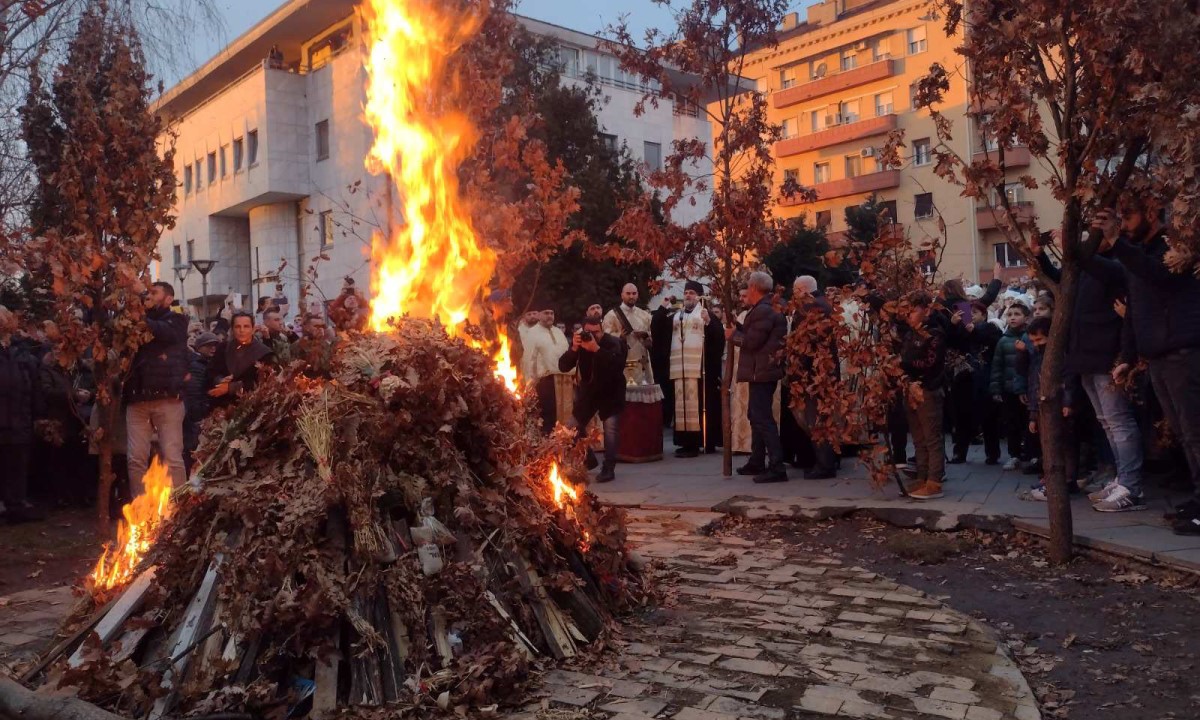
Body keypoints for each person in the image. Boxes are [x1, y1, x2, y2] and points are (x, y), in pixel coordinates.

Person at [1098, 202, 1200, 533]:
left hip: (1183, 353)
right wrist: (1128, 356)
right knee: (1185, 434)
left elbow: (1159, 275)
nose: (1124, 224)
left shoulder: (1174, 245)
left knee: (1196, 432)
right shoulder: (1135, 255)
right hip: (1158, 357)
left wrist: (1116, 242)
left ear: (1151, 212)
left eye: (1127, 215)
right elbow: (1135, 309)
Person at [1031, 229, 1140, 510]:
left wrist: (1071, 247)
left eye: (1094, 235)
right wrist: (1040, 256)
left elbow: (1097, 267)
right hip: (1085, 357)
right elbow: (1061, 280)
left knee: (1118, 421)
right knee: (1106, 420)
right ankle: (1121, 478)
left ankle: (1131, 485)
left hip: (1107, 355)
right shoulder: (1086, 269)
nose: (1089, 241)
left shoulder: (1116, 264)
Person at [125, 282, 190, 493]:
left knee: (172, 457)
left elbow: (164, 332)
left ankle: (180, 509)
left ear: (169, 299)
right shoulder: (134, 322)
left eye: (155, 292)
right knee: (135, 459)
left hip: (167, 398)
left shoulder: (177, 320)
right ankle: (140, 512)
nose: (148, 295)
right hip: (137, 399)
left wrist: (140, 319)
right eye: (148, 292)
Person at [727, 271, 788, 484]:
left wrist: (733, 336)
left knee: (763, 419)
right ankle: (757, 461)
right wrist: (740, 327)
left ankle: (777, 466)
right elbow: (756, 333)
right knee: (756, 416)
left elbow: (753, 342)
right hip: (761, 371)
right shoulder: (765, 308)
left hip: (762, 371)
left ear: (753, 287)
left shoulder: (764, 310)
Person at [558, 313, 626, 483]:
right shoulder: (580, 344)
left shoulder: (614, 343)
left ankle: (608, 468)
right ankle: (589, 459)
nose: (592, 336)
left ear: (602, 330)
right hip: (589, 392)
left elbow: (616, 367)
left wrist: (596, 349)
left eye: (596, 332)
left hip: (611, 392)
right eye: (588, 332)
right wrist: (574, 348)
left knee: (610, 431)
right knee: (572, 428)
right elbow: (563, 366)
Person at [788, 275, 838, 479]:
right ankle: (827, 461)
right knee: (822, 418)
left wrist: (803, 374)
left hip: (813, 375)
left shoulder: (809, 309)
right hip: (824, 372)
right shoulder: (824, 305)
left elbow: (806, 346)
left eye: (795, 291)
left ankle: (824, 464)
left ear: (803, 290)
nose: (793, 295)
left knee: (815, 419)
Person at [899, 293, 948, 500]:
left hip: (928, 389)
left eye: (912, 311)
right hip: (910, 388)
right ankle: (922, 475)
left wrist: (903, 364)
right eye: (906, 311)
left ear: (926, 311)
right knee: (918, 438)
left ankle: (934, 481)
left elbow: (930, 363)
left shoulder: (934, 334)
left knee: (932, 437)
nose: (908, 315)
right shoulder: (910, 334)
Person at [0, 307, 45, 523]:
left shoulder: (21, 350)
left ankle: (16, 504)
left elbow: (35, 383)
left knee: (17, 464)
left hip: (20, 416)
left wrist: (38, 413)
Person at [669, 281, 720, 458]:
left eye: (692, 293)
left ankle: (702, 442)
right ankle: (685, 442)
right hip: (680, 367)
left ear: (699, 296)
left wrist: (709, 323)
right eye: (686, 293)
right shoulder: (677, 316)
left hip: (699, 368)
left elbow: (718, 338)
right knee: (682, 407)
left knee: (700, 405)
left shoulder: (706, 314)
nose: (688, 296)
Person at [990, 302, 1031, 470]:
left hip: (1027, 389)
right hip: (1009, 389)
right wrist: (996, 389)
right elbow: (997, 366)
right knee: (1011, 423)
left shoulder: (1030, 337)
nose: (1013, 317)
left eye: (1017, 314)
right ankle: (1014, 454)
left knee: (1028, 423)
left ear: (1026, 317)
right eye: (1010, 314)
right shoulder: (1003, 341)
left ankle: (1031, 454)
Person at [208, 313, 274, 410]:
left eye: (246, 326)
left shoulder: (264, 353)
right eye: (238, 326)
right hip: (222, 406)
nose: (242, 330)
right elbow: (211, 371)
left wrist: (231, 387)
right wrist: (219, 380)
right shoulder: (223, 348)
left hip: (251, 407)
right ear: (232, 329)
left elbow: (265, 382)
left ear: (252, 329)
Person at [521, 309, 570, 434]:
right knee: (549, 416)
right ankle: (548, 449)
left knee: (566, 416)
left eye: (552, 313)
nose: (549, 316)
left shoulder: (558, 331)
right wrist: (530, 383)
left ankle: (564, 447)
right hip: (545, 380)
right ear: (539, 315)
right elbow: (529, 359)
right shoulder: (532, 333)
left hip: (565, 380)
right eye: (546, 313)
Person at [603, 284, 655, 385]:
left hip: (641, 362)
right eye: (628, 293)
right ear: (622, 295)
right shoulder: (612, 315)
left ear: (637, 295)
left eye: (634, 293)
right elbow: (605, 339)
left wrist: (646, 336)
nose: (631, 296)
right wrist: (619, 336)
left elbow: (653, 336)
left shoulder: (645, 315)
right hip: (621, 362)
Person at [184, 332, 220, 475]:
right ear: (199, 348)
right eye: (209, 346)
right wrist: (200, 412)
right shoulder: (197, 365)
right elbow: (194, 392)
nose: (213, 348)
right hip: (197, 417)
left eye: (215, 345)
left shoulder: (206, 364)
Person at [649, 297, 676, 426]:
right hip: (661, 362)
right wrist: (662, 308)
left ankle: (667, 418)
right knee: (664, 392)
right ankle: (664, 419)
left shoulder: (672, 320)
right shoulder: (662, 319)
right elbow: (656, 325)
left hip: (672, 362)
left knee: (669, 394)